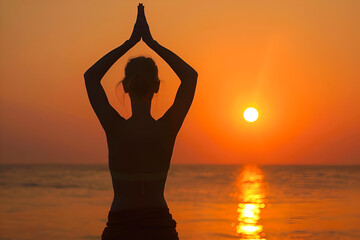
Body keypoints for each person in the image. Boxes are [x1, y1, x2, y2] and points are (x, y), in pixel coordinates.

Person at [84, 3, 197, 240]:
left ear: (125, 87)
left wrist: (131, 42)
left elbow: (91, 77)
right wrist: (152, 43)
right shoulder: (167, 129)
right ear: (156, 87)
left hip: (121, 228)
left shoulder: (115, 127)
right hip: (159, 228)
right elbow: (189, 76)